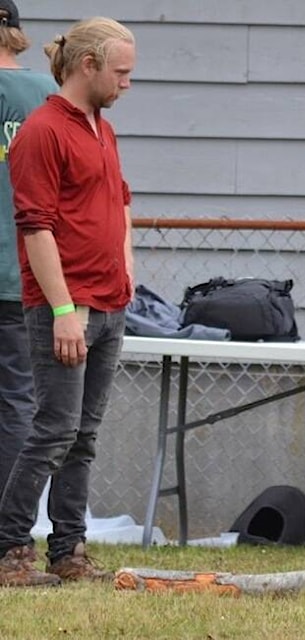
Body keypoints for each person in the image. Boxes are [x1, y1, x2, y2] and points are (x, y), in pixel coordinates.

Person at [0, 16, 136, 587]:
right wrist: (61, 311)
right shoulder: (43, 131)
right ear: (88, 66)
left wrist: (127, 270)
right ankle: (9, 550)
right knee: (52, 430)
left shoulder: (100, 128)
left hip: (110, 305)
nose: (128, 83)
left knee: (83, 436)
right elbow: (35, 227)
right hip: (67, 307)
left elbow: (121, 202)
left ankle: (69, 551)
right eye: (121, 72)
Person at [0, 0, 58, 494]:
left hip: (19, 271)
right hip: (24, 272)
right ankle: (8, 528)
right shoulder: (46, 94)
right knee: (17, 400)